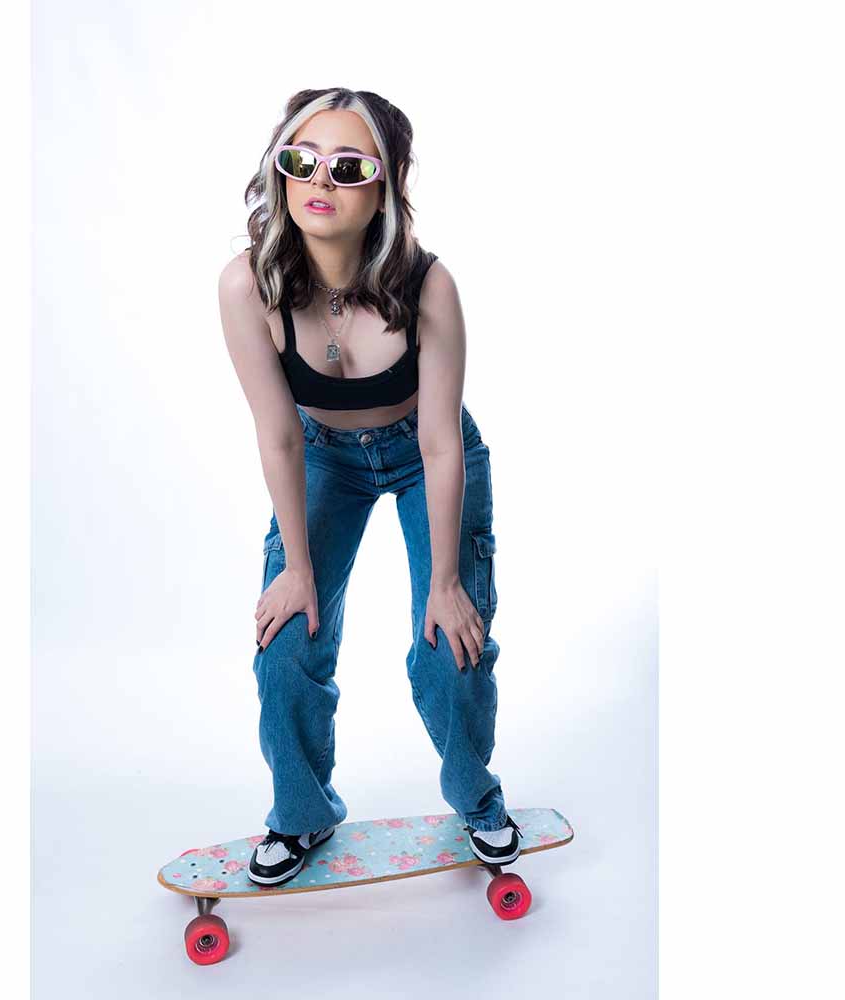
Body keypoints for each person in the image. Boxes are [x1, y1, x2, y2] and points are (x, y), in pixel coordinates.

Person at [218, 88, 522, 887]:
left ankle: (478, 799)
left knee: (451, 643)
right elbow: (279, 434)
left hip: (428, 452)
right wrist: (296, 567)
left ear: (386, 184)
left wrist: (447, 584)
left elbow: (441, 440)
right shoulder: (248, 285)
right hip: (320, 455)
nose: (321, 179)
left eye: (349, 166)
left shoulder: (429, 286)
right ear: (280, 172)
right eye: (302, 159)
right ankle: (303, 811)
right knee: (288, 642)